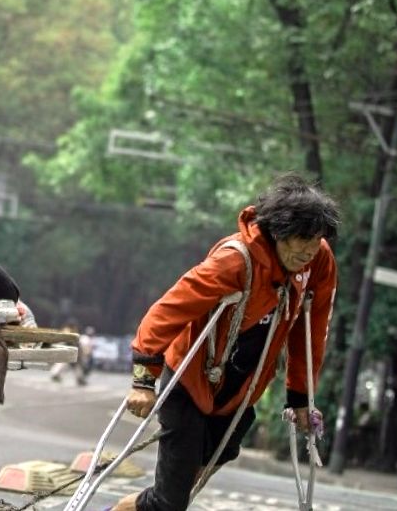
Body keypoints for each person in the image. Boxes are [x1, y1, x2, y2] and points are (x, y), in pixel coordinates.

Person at [110, 173, 340, 511]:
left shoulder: (319, 261)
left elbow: (312, 328)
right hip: (191, 379)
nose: (309, 249)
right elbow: (166, 312)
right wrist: (144, 380)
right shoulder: (235, 260)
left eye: (316, 238)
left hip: (241, 390)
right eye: (302, 238)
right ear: (278, 230)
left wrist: (300, 397)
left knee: (180, 492)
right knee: (169, 503)